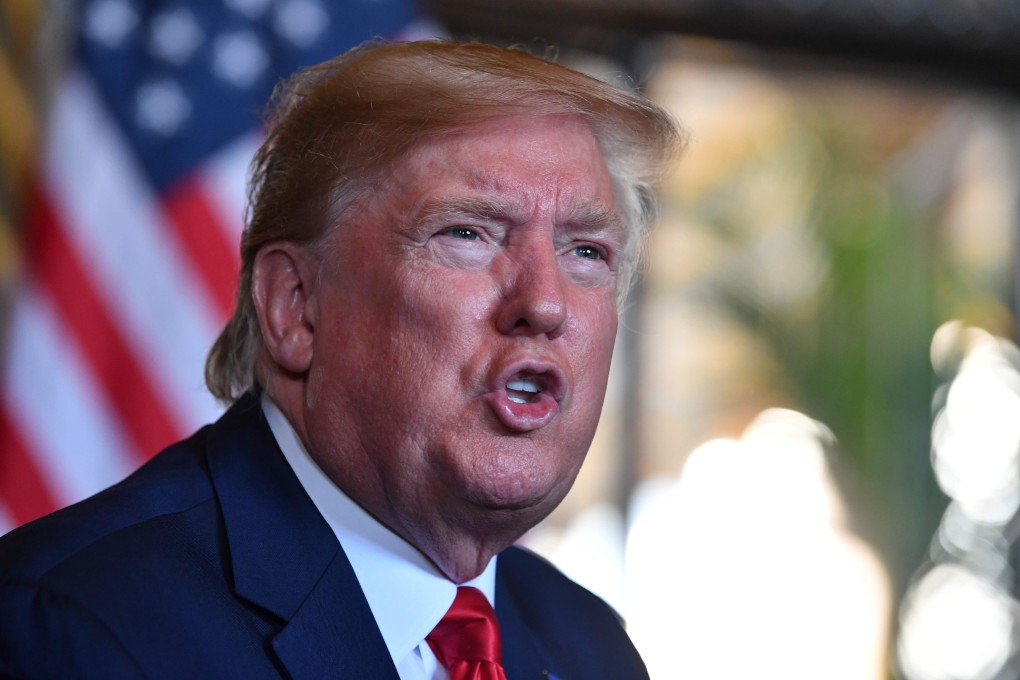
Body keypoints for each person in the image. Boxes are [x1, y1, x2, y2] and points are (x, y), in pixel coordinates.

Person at [0, 39, 682, 678]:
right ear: (296, 306)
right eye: (468, 233)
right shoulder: (72, 628)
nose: (546, 303)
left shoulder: (590, 645)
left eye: (586, 251)